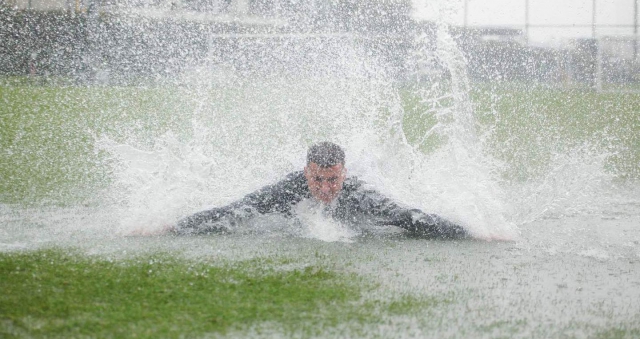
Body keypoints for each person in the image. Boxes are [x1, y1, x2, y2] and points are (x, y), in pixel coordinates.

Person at [173, 142, 470, 239]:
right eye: (318, 180)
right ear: (306, 173)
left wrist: (469, 233)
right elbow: (232, 212)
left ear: (343, 174)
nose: (326, 188)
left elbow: (408, 217)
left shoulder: (358, 194)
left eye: (333, 180)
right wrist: (173, 227)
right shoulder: (286, 190)